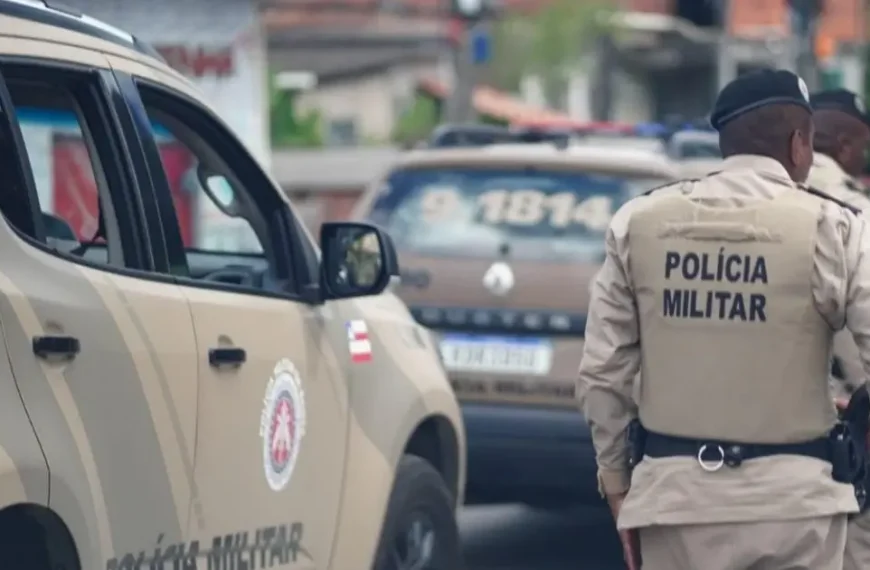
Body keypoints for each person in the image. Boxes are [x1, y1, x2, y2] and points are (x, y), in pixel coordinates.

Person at [577, 68, 870, 570]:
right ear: (800, 144)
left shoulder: (638, 223)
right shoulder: (837, 226)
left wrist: (617, 486)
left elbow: (603, 374)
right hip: (794, 508)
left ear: (724, 144)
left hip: (674, 503)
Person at [807, 89, 870, 406]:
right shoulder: (857, 213)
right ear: (844, 146)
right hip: (837, 410)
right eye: (864, 148)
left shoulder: (750, 201)